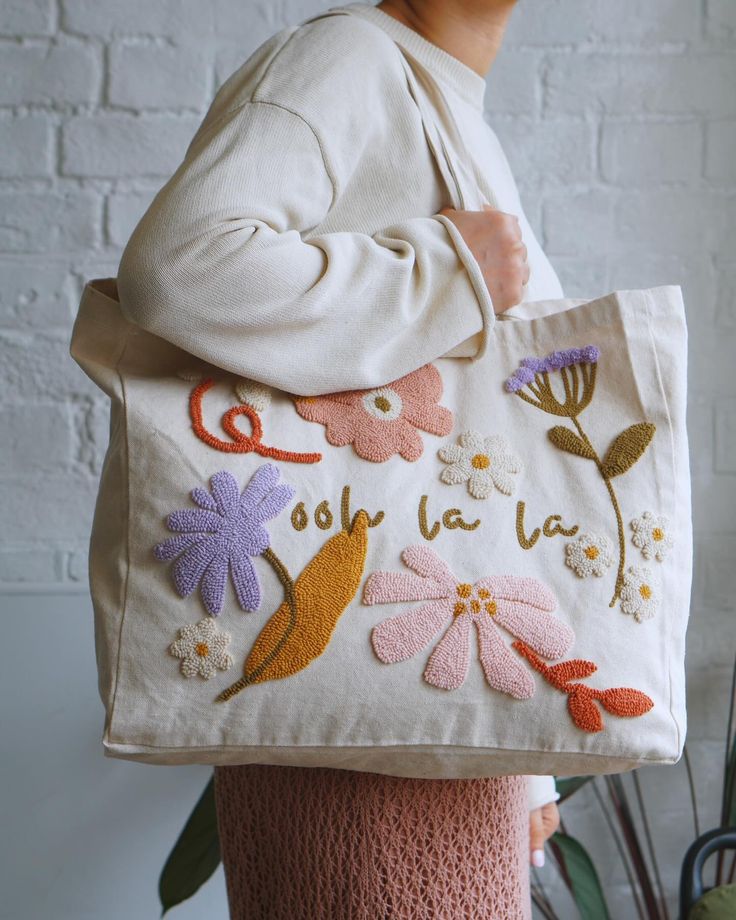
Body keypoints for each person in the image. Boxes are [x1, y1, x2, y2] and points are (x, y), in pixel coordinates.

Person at [117, 1, 563, 915]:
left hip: (440, 721)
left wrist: (533, 770)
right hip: (357, 755)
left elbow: (486, 465)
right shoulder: (348, 58)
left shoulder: (450, 109)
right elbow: (179, 266)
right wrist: (445, 268)